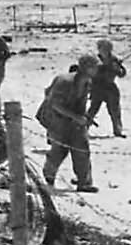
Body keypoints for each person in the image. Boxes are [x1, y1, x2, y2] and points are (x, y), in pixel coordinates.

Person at [37, 54, 99, 193]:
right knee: (59, 150)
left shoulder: (87, 82)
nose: (97, 70)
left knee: (82, 149)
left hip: (74, 121)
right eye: (94, 67)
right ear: (86, 68)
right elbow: (55, 105)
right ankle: (49, 175)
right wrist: (76, 117)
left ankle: (84, 182)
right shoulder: (64, 81)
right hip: (57, 120)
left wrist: (84, 118)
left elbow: (81, 103)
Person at [86, 38, 127, 137]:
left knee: (115, 110)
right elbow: (90, 73)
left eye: (106, 48)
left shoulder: (114, 59)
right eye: (101, 48)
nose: (103, 50)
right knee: (93, 110)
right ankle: (83, 129)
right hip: (97, 87)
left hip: (110, 88)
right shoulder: (95, 60)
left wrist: (117, 68)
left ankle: (118, 130)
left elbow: (122, 74)